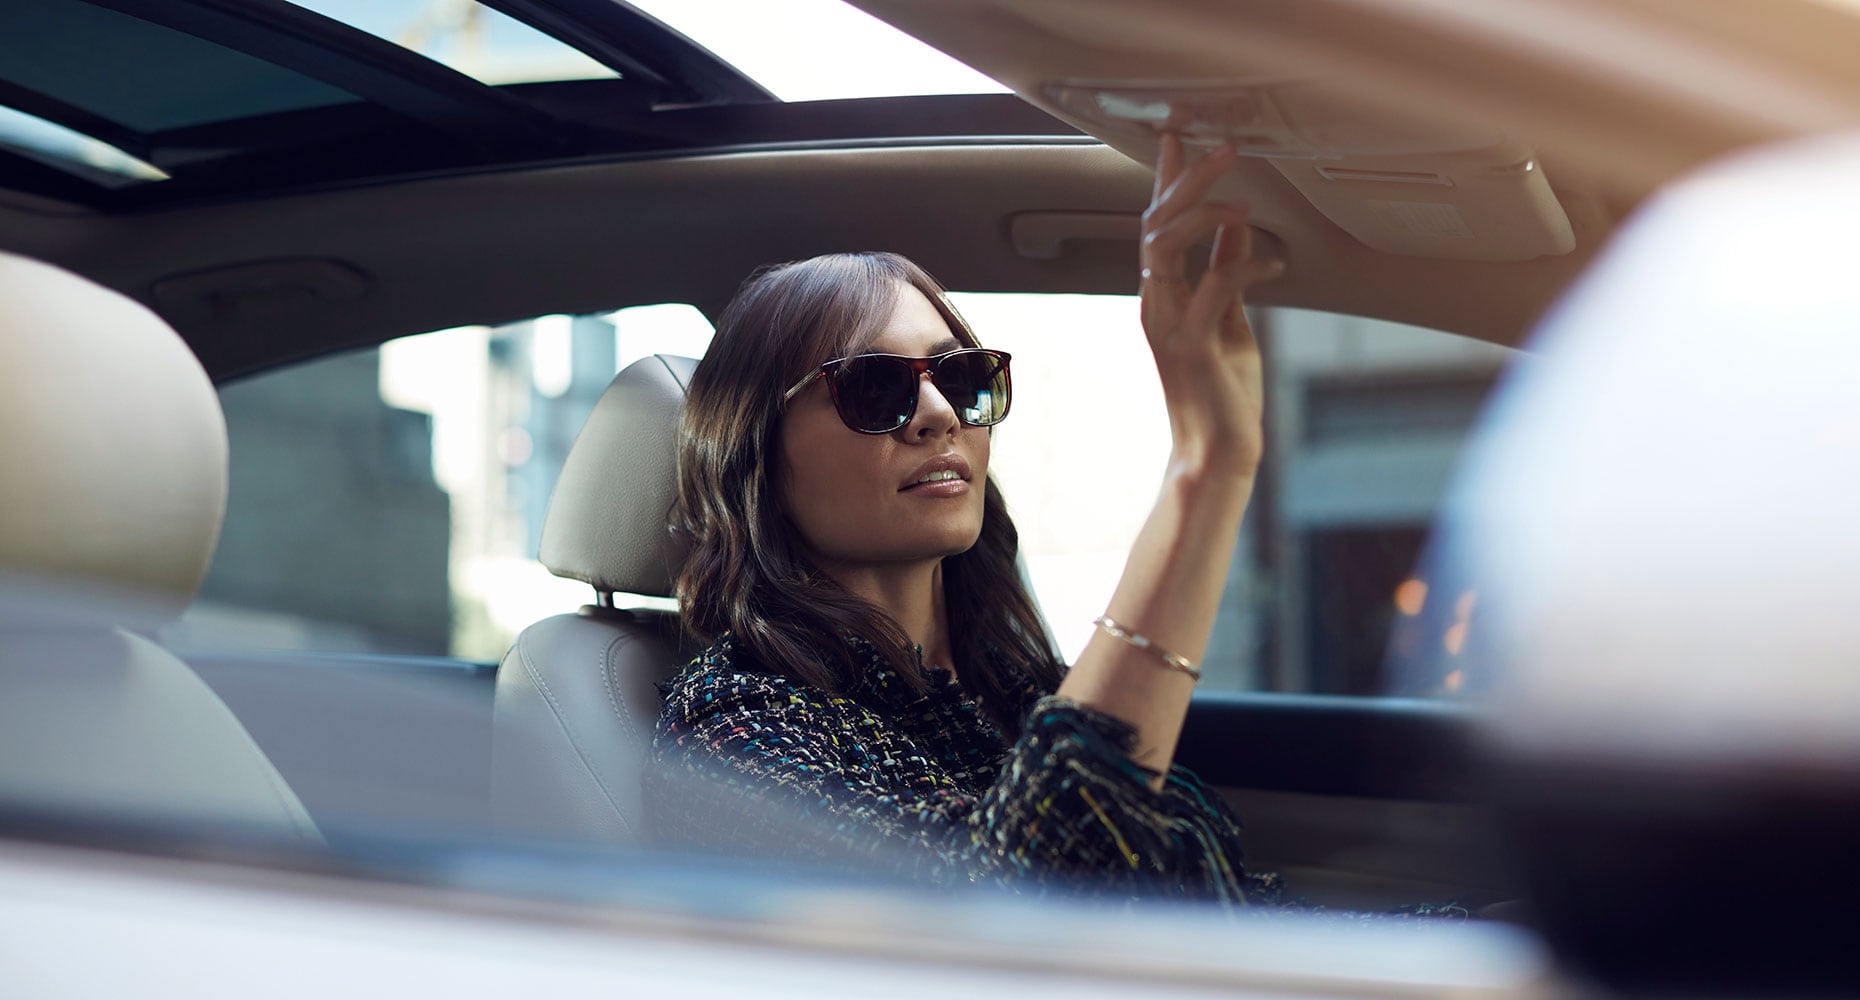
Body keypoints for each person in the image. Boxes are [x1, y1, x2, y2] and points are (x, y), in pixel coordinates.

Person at [648, 136, 1286, 903]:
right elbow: (1005, 924)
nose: (941, 414)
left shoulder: (1013, 685)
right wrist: (1207, 472)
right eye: (874, 389)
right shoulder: (734, 727)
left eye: (961, 376)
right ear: (755, 455)